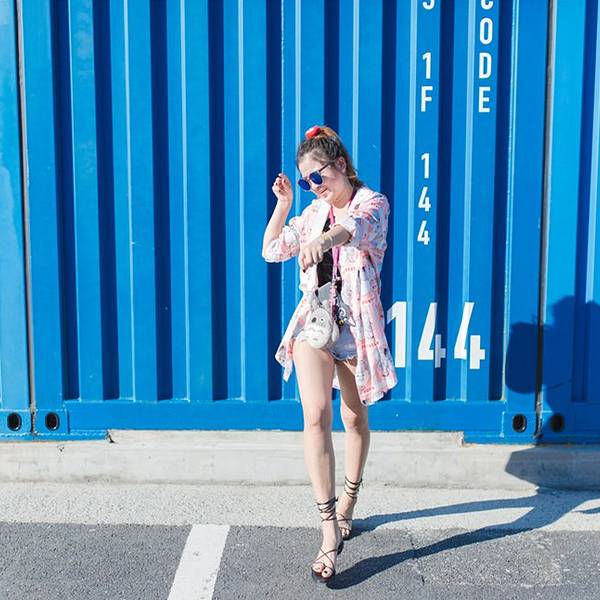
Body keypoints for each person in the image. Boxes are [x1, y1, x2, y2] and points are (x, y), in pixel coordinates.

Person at [261, 125, 397, 584]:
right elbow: (271, 250)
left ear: (340, 165)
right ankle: (328, 533)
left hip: (356, 331)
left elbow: (354, 229)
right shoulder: (312, 212)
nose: (313, 186)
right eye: (306, 182)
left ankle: (349, 503)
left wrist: (325, 240)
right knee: (316, 415)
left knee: (354, 420)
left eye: (317, 176)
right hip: (315, 325)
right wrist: (284, 206)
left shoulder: (373, 203)